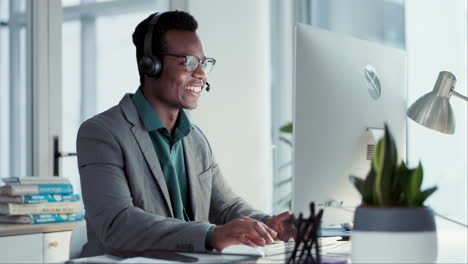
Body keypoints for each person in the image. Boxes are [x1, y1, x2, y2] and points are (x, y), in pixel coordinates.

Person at [76, 10, 293, 258]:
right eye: (188, 62)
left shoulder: (194, 138)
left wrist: (269, 225)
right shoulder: (102, 132)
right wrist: (210, 235)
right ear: (151, 65)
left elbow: (226, 207)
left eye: (203, 63)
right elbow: (117, 225)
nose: (201, 73)